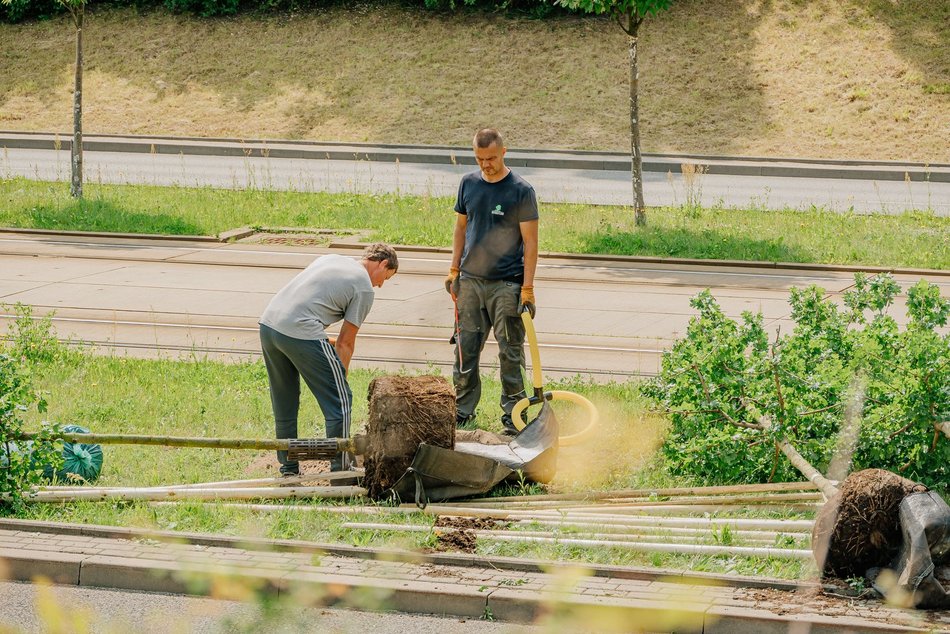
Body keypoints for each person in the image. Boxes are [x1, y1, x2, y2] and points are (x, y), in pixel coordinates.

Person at [259, 243, 398, 476]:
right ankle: (340, 471)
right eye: (386, 277)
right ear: (383, 263)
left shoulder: (332, 258)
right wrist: (338, 381)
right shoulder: (364, 288)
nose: (381, 284)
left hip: (269, 326)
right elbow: (345, 343)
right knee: (340, 403)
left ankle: (289, 470)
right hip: (300, 330)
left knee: (285, 404)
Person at [445, 128, 539, 435]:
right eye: (480, 158)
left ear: (504, 152)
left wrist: (527, 288)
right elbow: (461, 228)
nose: (486, 164)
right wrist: (454, 269)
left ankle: (514, 416)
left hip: (507, 285)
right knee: (465, 349)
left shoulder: (520, 191)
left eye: (492, 158)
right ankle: (461, 412)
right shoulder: (468, 184)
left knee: (509, 352)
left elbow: (531, 243)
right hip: (470, 283)